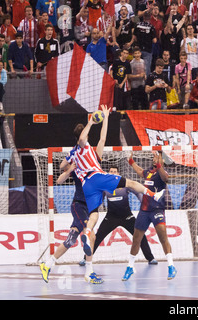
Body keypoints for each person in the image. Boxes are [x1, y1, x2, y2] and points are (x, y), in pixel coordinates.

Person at [63, 105, 165, 279]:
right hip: (99, 185)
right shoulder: (89, 152)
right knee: (132, 183)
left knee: (94, 217)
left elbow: (64, 165)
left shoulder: (75, 154)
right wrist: (102, 119)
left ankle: (86, 235)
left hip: (92, 191)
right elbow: (99, 139)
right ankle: (153, 194)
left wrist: (67, 168)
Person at [79, 166, 158, 267]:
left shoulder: (124, 184)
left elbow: (137, 192)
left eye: (115, 172)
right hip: (111, 217)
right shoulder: (105, 186)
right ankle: (86, 258)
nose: (112, 173)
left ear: (118, 173)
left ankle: (150, 258)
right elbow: (98, 199)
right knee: (97, 237)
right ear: (108, 173)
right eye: (111, 171)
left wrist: (144, 202)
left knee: (140, 235)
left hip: (127, 216)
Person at [40, 160, 103, 284]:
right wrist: (69, 169)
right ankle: (89, 273)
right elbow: (58, 181)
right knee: (92, 236)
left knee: (70, 241)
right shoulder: (77, 169)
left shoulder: (95, 170)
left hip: (90, 208)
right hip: (79, 206)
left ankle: (47, 265)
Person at [123, 151, 176, 281]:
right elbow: (140, 171)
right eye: (153, 157)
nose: (154, 159)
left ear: (162, 161)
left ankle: (171, 266)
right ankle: (130, 267)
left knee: (163, 236)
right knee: (136, 239)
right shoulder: (149, 172)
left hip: (157, 210)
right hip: (144, 211)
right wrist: (131, 161)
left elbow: (166, 178)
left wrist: (159, 165)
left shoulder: (162, 173)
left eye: (157, 157)